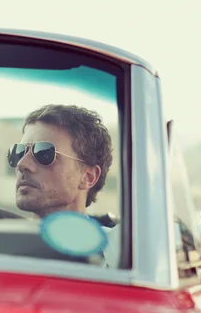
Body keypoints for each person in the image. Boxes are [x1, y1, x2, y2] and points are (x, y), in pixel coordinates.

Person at [7, 104, 119, 266]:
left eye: (43, 153)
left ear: (88, 177)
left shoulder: (119, 254)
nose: (22, 164)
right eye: (18, 152)